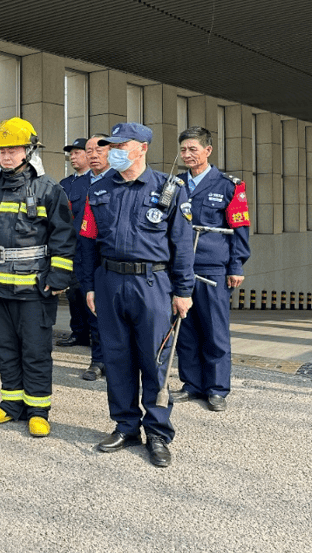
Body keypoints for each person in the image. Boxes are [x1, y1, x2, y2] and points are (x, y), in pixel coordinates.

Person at [78, 122, 195, 468]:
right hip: (110, 283)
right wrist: (89, 287)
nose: (112, 151)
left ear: (142, 147)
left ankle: (157, 432)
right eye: (109, 145)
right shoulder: (99, 191)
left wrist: (184, 291)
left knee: (154, 359)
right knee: (116, 358)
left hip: (153, 285)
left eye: (120, 145)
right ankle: (126, 425)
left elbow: (183, 245)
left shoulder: (169, 188)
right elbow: (86, 244)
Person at [0, 118, 76, 437]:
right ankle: (11, 405)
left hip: (34, 288)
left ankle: (38, 410)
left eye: (13, 149)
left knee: (35, 350)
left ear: (29, 151)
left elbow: (63, 236)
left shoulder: (49, 189)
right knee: (5, 349)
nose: (6, 156)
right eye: (2, 150)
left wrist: (58, 276)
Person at [173, 126, 251, 412]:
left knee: (215, 330)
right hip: (181, 267)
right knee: (187, 328)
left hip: (213, 267)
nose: (187, 154)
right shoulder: (176, 184)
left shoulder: (228, 186)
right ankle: (192, 384)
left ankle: (217, 388)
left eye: (193, 149)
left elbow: (240, 227)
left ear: (208, 150)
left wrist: (236, 264)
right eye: (183, 149)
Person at [77, 134, 113, 381]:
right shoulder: (76, 184)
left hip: (111, 258)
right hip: (84, 255)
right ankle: (98, 360)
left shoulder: (118, 180)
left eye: (99, 150)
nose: (93, 154)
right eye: (89, 150)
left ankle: (118, 362)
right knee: (93, 311)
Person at [57, 138, 92, 349]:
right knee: (73, 294)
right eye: (71, 153)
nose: (73, 157)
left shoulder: (95, 181)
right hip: (70, 247)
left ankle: (93, 335)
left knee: (88, 292)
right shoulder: (64, 184)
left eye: (77, 153)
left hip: (87, 247)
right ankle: (78, 332)